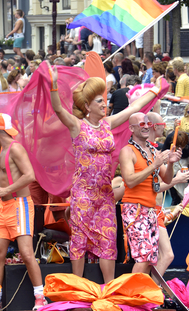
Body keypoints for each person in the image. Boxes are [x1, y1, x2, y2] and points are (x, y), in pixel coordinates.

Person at [45, 67, 158, 283]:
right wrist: (53, 84)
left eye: (104, 100)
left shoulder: (107, 124)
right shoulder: (77, 126)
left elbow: (133, 107)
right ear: (87, 106)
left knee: (108, 240)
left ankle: (108, 288)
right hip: (83, 194)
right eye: (99, 101)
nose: (104, 104)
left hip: (105, 194)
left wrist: (155, 90)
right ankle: (77, 287)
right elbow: (58, 108)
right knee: (79, 240)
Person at [0, 114, 45, 311]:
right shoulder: (2, 149)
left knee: (27, 253)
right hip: (4, 206)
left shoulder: (15, 148)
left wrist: (4, 191)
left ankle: (40, 297)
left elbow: (30, 175)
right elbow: (3, 181)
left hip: (20, 205)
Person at [119, 112, 179, 284]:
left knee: (150, 258)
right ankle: (130, 296)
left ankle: (141, 295)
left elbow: (166, 179)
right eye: (141, 123)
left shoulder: (152, 151)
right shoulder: (127, 151)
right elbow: (129, 181)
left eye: (147, 123)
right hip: (135, 209)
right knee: (144, 257)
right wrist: (154, 165)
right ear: (131, 128)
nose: (146, 125)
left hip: (151, 211)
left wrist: (172, 163)